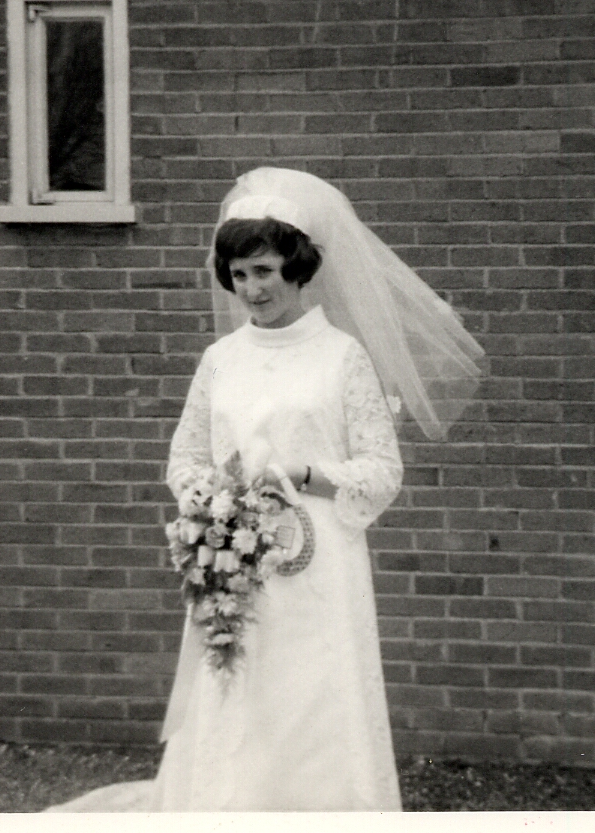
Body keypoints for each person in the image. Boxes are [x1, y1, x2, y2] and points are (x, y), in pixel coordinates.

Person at [49, 167, 485, 811]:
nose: (252, 289)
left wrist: (306, 476)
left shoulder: (342, 357)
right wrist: (213, 506)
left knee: (312, 693)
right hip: (235, 559)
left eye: (265, 271)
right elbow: (185, 459)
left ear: (297, 268)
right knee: (240, 684)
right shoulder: (221, 360)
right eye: (240, 274)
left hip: (320, 562)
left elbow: (381, 469)